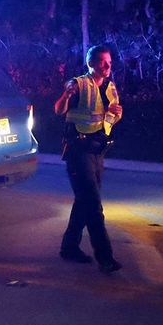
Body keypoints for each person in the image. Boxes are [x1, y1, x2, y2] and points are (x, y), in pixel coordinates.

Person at [54, 44, 123, 274]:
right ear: (91, 63)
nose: (107, 66)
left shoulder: (110, 88)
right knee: (93, 206)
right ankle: (105, 258)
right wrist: (67, 93)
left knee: (84, 201)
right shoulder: (79, 84)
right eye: (103, 62)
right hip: (78, 151)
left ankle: (69, 247)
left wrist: (115, 116)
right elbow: (58, 109)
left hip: (97, 152)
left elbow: (109, 116)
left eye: (110, 62)